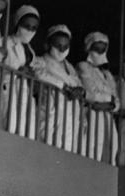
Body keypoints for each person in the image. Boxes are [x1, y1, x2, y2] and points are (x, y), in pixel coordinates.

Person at [34, 24, 86, 155]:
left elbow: (79, 84)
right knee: (48, 148)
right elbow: (38, 74)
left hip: (69, 115)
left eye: (65, 47)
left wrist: (80, 91)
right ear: (48, 44)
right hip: (51, 111)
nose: (62, 50)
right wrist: (64, 86)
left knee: (67, 151)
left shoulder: (70, 68)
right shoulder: (41, 60)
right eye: (58, 46)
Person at [78, 31, 120, 164]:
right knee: (92, 147)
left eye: (103, 49)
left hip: (107, 116)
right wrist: (109, 102)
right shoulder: (83, 66)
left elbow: (117, 101)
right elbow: (90, 92)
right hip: (91, 114)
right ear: (89, 48)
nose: (100, 52)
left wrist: (109, 104)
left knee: (110, 148)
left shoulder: (108, 74)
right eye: (96, 48)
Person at [0, 4, 39, 139]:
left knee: (26, 136)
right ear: (17, 23)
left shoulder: (31, 52)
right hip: (7, 94)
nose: (30, 30)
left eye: (34, 28)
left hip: (25, 97)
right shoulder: (5, 43)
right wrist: (17, 72)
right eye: (27, 26)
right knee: (7, 133)